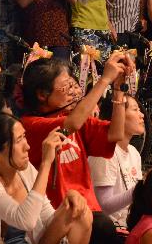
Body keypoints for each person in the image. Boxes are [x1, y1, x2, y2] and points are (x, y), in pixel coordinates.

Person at [19, 55, 129, 244]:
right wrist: (104, 80)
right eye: (67, 86)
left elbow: (115, 134)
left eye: (73, 84)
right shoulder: (30, 125)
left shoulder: (71, 118)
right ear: (42, 94)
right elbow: (73, 123)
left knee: (105, 228)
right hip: (58, 216)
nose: (73, 91)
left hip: (88, 209)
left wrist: (118, 89)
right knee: (103, 227)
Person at [0, 113, 92, 244]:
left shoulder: (23, 169)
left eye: (24, 136)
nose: (27, 146)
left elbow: (46, 217)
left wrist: (72, 198)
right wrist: (46, 163)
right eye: (19, 140)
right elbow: (26, 221)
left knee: (80, 213)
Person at [89, 95, 145, 235]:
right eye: (135, 109)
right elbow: (105, 206)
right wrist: (144, 185)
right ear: (118, 115)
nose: (142, 114)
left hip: (131, 225)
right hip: (111, 230)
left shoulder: (133, 153)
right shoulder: (104, 152)